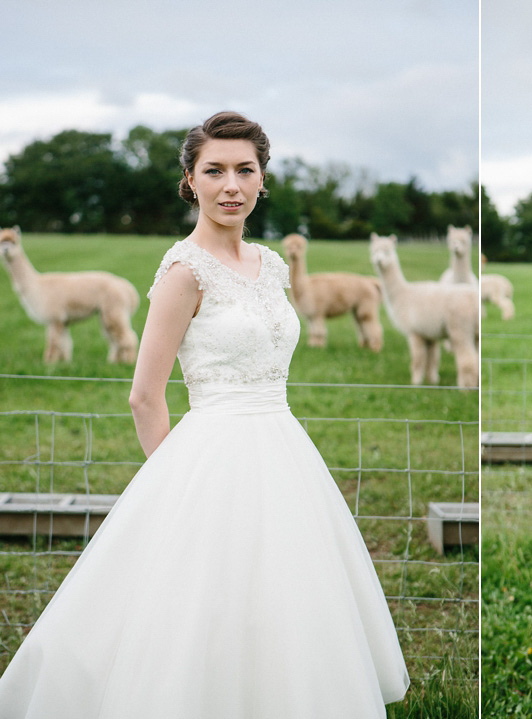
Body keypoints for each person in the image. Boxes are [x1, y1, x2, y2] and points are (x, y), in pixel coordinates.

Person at [0, 112, 409, 718]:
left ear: (262, 179)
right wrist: (177, 485)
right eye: (214, 171)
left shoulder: (271, 266)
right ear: (190, 181)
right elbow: (144, 394)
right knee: (200, 595)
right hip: (210, 447)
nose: (231, 185)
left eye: (245, 170)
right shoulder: (183, 272)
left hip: (282, 444)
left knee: (284, 588)